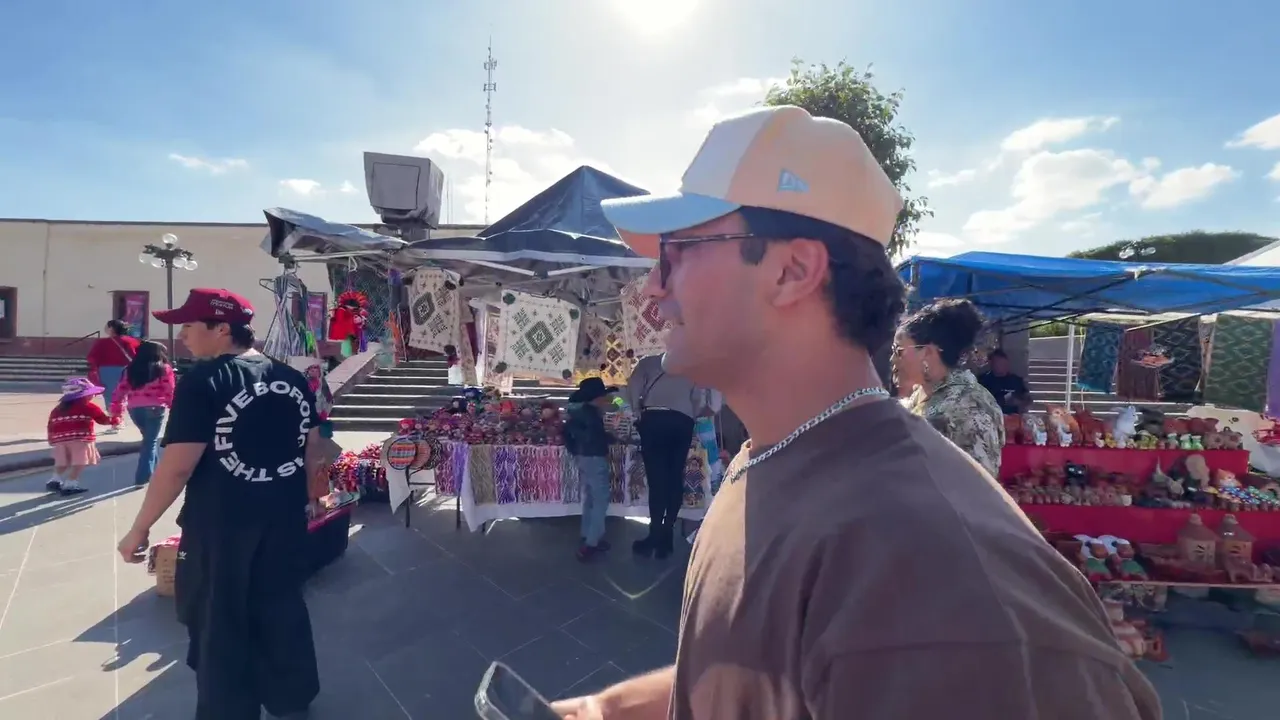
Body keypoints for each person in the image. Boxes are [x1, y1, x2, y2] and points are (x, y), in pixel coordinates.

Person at [553, 105, 1160, 719]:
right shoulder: (773, 454)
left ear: (791, 272)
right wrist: (604, 710)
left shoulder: (938, 574)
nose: (654, 287)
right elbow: (765, 675)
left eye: (677, 252)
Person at [115, 288, 324, 720]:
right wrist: (312, 496)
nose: (182, 336)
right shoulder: (292, 377)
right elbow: (314, 448)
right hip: (283, 516)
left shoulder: (203, 382)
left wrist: (140, 528)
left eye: (189, 325)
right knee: (282, 605)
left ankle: (228, 708)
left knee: (220, 616)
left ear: (222, 328)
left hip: (223, 524)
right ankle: (291, 696)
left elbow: (177, 467)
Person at [895, 299, 1007, 477]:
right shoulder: (920, 394)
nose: (893, 359)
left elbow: (977, 485)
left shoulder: (971, 407)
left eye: (899, 351)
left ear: (927, 353)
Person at [624, 353, 702, 559]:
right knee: (675, 476)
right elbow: (699, 399)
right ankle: (667, 534)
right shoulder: (691, 364)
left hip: (654, 419)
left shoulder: (648, 363)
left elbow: (633, 388)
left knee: (657, 480)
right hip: (682, 421)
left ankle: (654, 534)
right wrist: (689, 416)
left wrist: (636, 410)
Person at [564, 377, 618, 561]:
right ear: (596, 397)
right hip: (594, 456)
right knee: (600, 499)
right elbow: (593, 436)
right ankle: (591, 543)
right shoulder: (590, 414)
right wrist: (610, 438)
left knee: (590, 497)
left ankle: (588, 533)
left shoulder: (576, 410)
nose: (604, 399)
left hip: (582, 456)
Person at [109, 340, 176, 486]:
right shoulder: (164, 368)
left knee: (148, 440)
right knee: (150, 442)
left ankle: (156, 472)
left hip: (134, 408)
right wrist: (174, 407)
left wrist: (116, 408)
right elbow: (169, 390)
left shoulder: (130, 369)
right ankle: (143, 477)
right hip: (155, 407)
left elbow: (121, 389)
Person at [47, 377, 120, 494]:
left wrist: (51, 438)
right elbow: (102, 420)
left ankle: (55, 479)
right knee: (79, 462)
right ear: (84, 395)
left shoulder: (57, 409)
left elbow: (50, 425)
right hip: (80, 439)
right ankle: (70, 483)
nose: (93, 396)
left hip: (60, 440)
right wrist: (114, 420)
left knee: (62, 461)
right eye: (91, 393)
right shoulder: (88, 406)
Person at [86, 319, 140, 431]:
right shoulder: (132, 341)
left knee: (110, 397)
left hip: (106, 371)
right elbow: (136, 356)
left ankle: (115, 420)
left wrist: (95, 369)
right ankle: (120, 419)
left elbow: (92, 357)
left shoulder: (102, 342)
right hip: (127, 370)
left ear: (111, 328)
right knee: (123, 396)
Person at [978, 347, 1034, 415]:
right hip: (992, 417)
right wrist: (1004, 400)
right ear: (991, 363)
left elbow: (1027, 398)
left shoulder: (1016, 380)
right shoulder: (983, 381)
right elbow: (982, 403)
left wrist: (1023, 402)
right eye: (999, 364)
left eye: (1004, 364)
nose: (1003, 367)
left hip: (1014, 417)